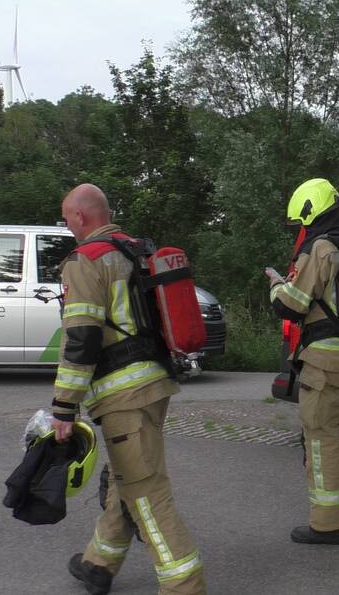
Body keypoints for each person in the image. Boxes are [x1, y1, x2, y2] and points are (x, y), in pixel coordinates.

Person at [50, 184, 205, 595]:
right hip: (154, 383)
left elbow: (82, 339)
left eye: (66, 218)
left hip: (123, 393)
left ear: (81, 217)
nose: (66, 226)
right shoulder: (134, 250)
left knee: (146, 490)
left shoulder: (85, 262)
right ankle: (98, 564)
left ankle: (184, 586)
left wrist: (64, 408)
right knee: (129, 476)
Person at [267, 178, 339, 545]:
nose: (302, 230)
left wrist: (276, 284)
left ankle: (328, 525)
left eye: (302, 223)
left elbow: (291, 304)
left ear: (312, 214)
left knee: (321, 439)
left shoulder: (321, 248)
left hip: (325, 362)